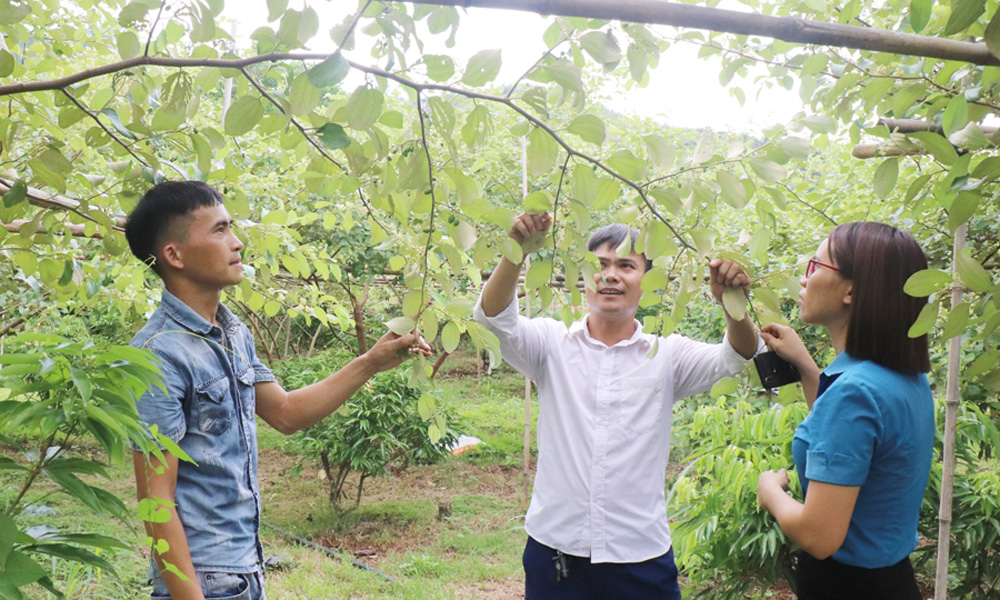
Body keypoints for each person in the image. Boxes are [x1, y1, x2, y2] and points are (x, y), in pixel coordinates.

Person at [124, 180, 430, 600]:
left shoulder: (232, 332)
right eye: (219, 230)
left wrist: (371, 362)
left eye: (231, 227)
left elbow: (285, 413)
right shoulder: (158, 354)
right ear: (173, 255)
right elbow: (154, 501)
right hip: (203, 580)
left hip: (244, 572)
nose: (237, 243)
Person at [473, 212, 761, 600]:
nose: (610, 275)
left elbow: (737, 360)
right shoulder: (551, 345)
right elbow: (492, 322)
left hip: (640, 555)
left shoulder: (666, 355)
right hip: (557, 550)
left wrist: (732, 302)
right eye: (600, 265)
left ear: (647, 282)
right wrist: (516, 253)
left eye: (626, 265)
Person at [756, 222, 934, 600]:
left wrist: (770, 490)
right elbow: (844, 445)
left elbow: (819, 536)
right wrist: (807, 367)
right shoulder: (902, 377)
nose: (804, 280)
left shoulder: (854, 393)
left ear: (851, 290)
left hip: (847, 586)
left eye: (815, 267)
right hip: (893, 580)